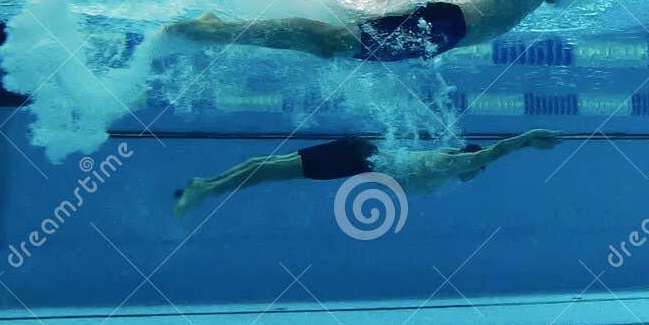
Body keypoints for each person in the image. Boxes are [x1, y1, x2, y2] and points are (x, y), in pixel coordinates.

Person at [163, 0, 560, 61]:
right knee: (329, 43)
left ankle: (221, 29)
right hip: (444, 28)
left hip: (440, 33)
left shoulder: (523, 0)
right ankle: (219, 29)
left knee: (331, 43)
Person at [173, 129, 564, 217]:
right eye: (477, 168)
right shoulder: (454, 163)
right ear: (471, 162)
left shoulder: (443, 165)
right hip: (359, 159)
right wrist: (529, 139)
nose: (477, 173)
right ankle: (206, 191)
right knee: (271, 172)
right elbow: (497, 151)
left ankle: (205, 184)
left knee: (268, 166)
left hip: (359, 154)